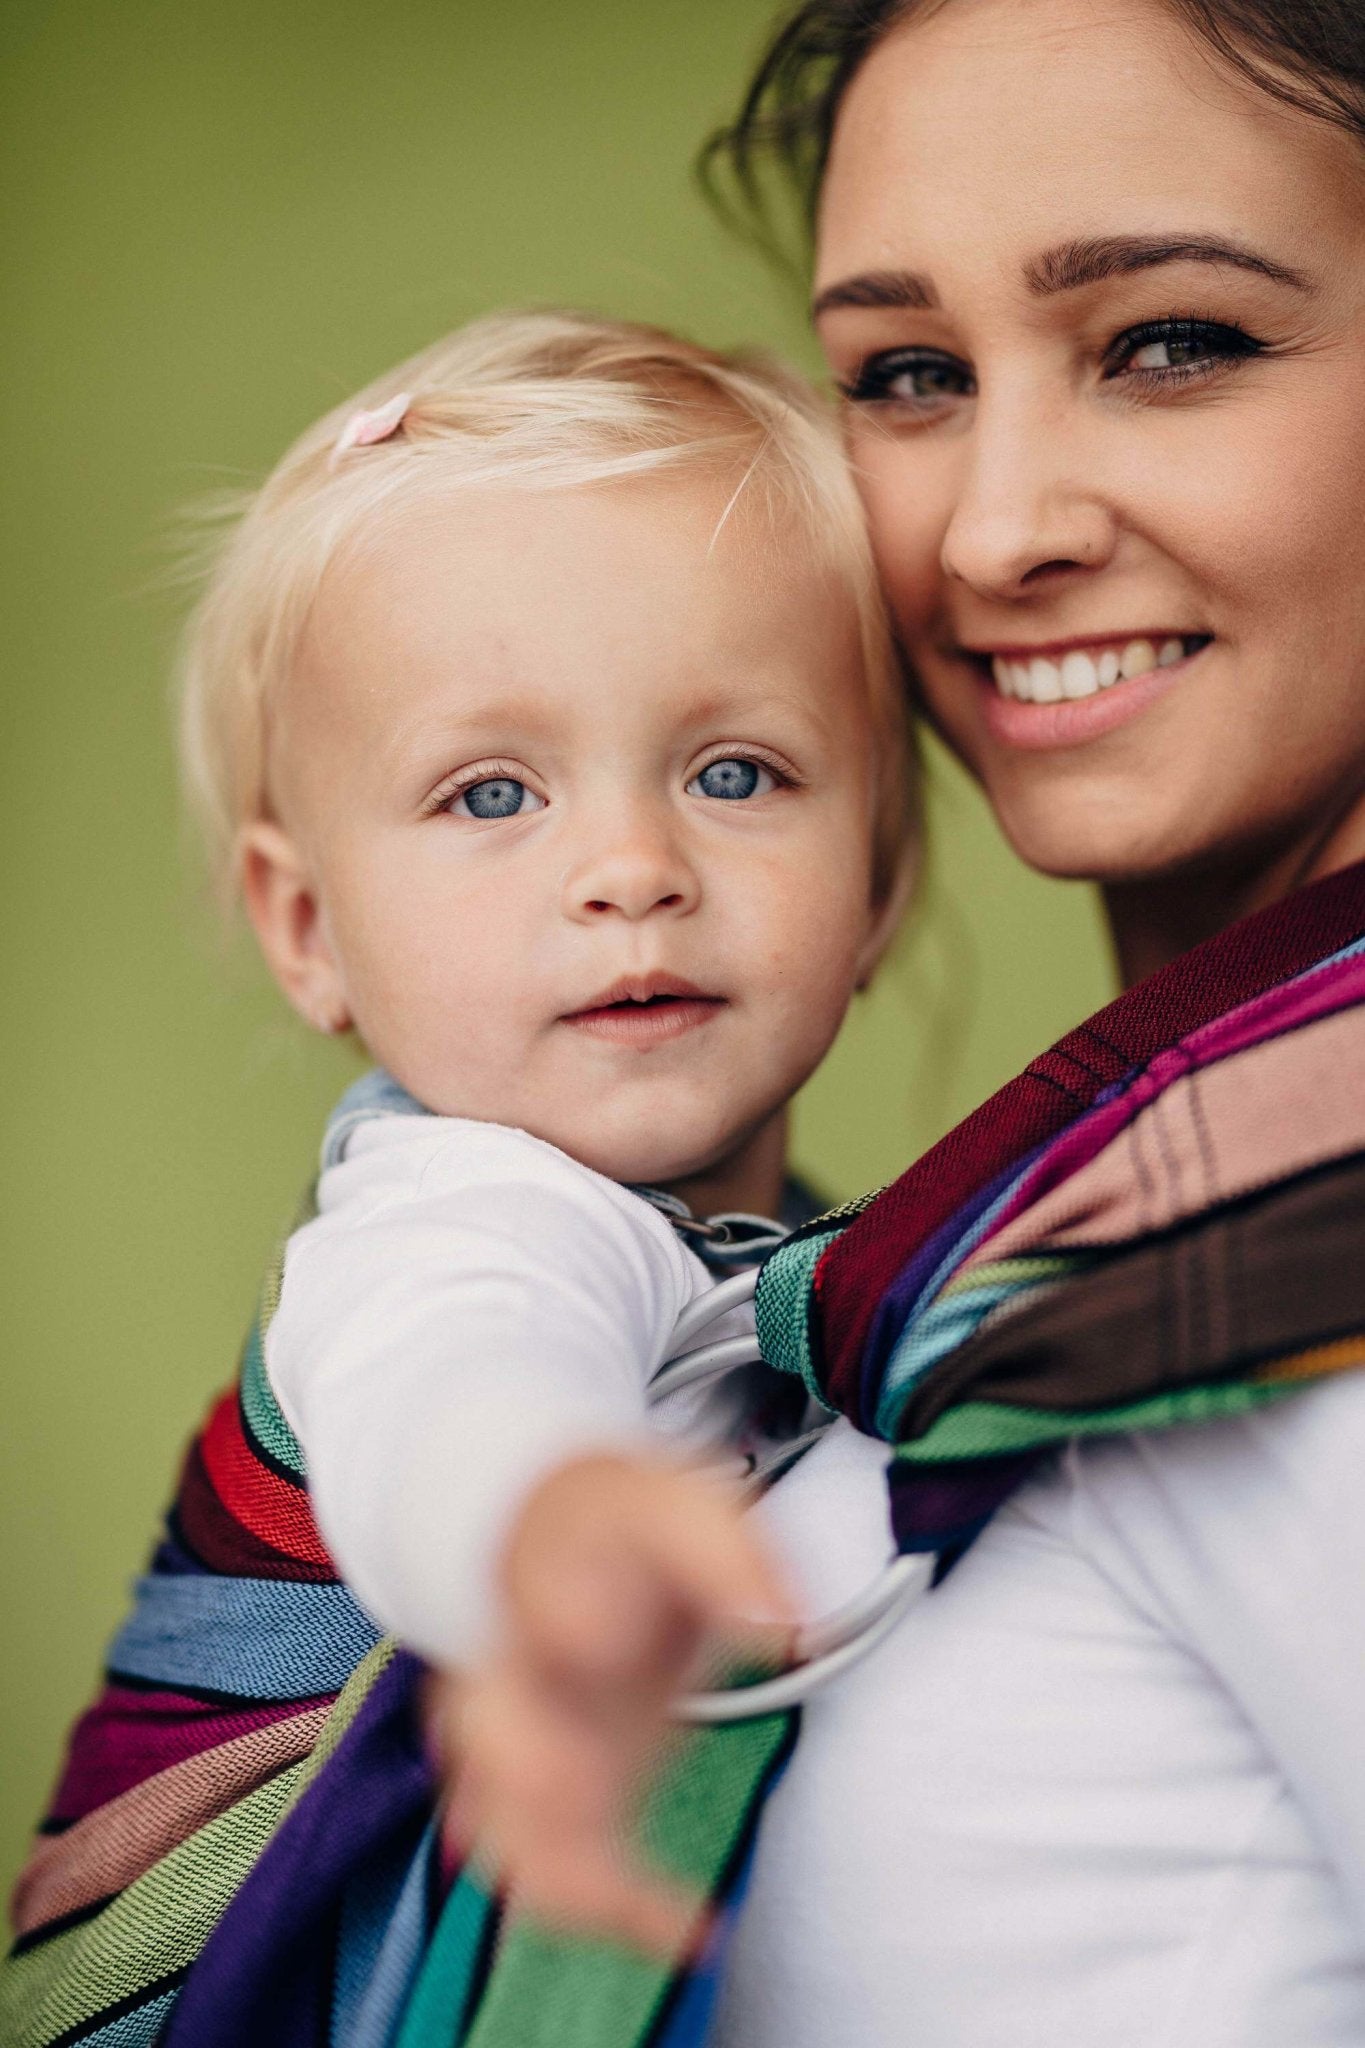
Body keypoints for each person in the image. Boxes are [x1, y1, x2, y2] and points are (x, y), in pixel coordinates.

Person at [444, 2, 1365, 2044]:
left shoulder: (1282, 1290)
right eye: (909, 378)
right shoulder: (1052, 1266)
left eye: (1169, 342)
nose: (989, 529)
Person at [0, 312, 915, 2047]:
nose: (631, 866)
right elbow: (462, 1377)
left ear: (874, 881)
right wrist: (546, 1537)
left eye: (735, 772)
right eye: (491, 791)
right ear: (304, 926)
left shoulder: (790, 1260)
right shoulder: (454, 1216)